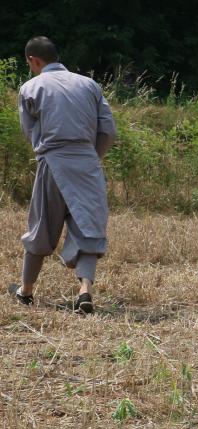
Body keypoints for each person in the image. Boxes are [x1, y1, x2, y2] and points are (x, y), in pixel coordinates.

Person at [9, 36, 117, 314]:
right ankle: (84, 292)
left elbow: (31, 133)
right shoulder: (89, 84)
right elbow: (108, 131)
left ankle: (26, 291)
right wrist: (90, 158)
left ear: (34, 60)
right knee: (87, 226)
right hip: (87, 163)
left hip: (53, 162)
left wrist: (50, 153)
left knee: (42, 226)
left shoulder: (31, 87)